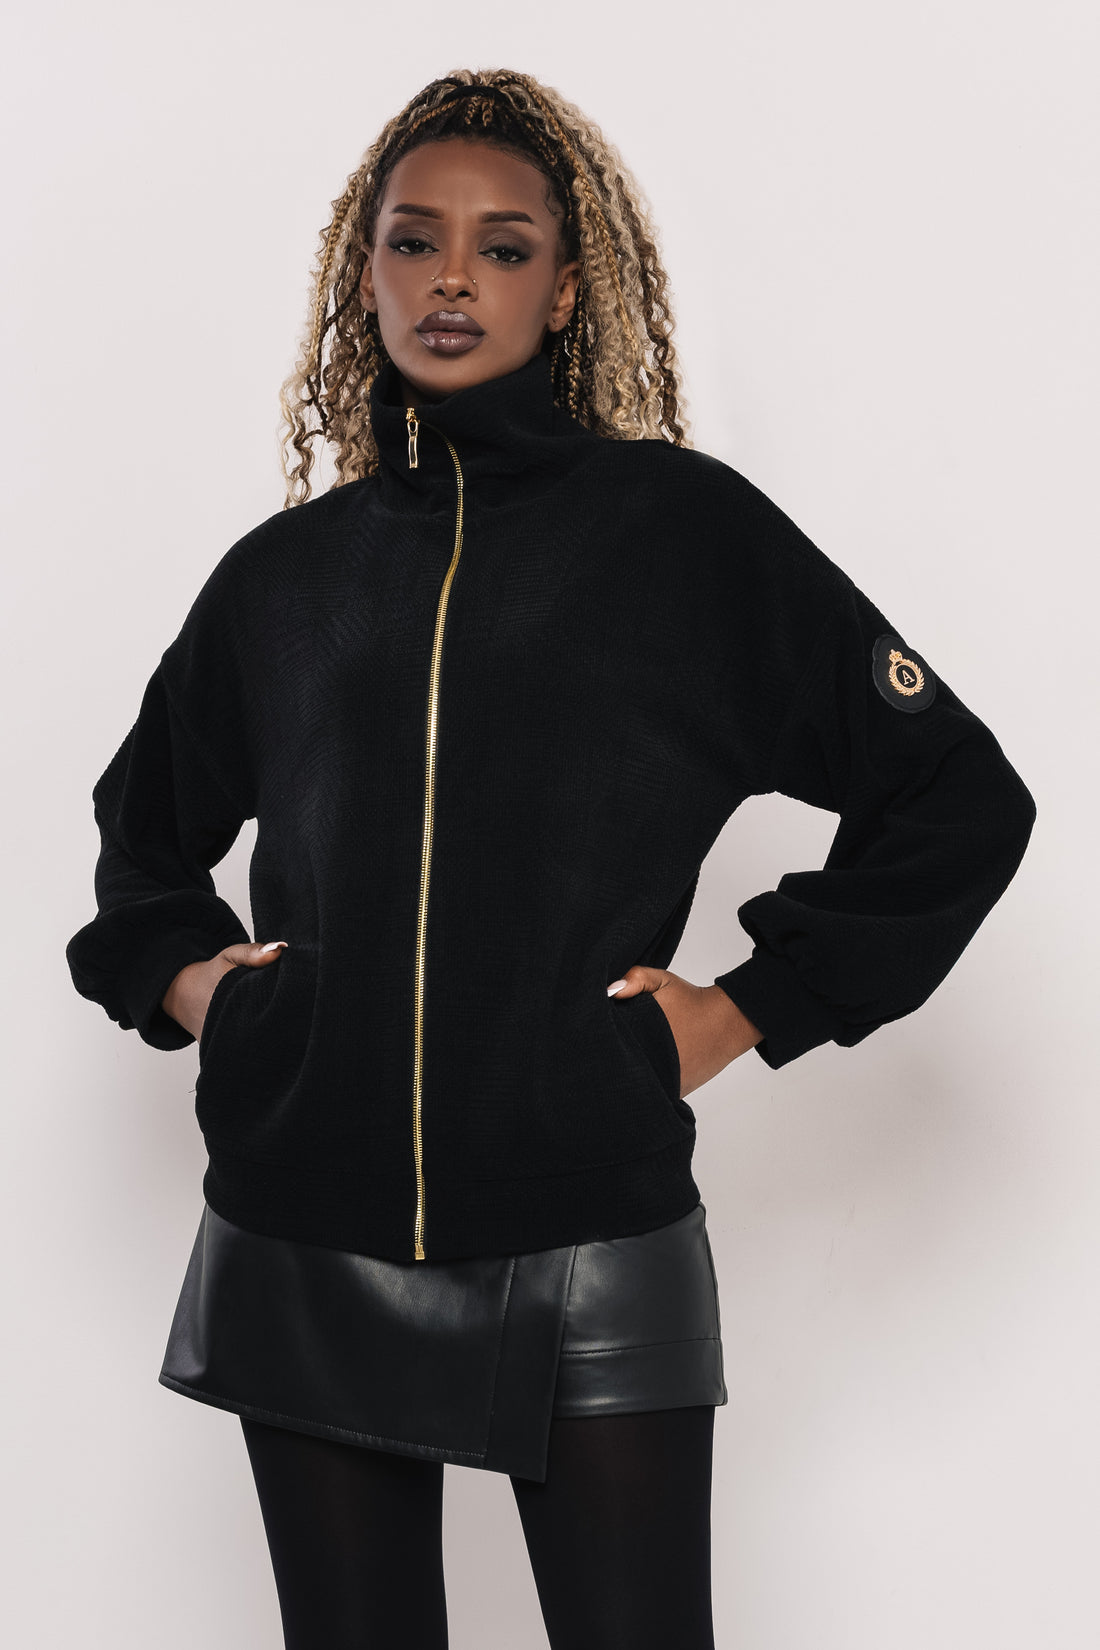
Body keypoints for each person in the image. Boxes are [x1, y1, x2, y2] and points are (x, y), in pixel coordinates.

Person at [65, 67, 1036, 1650]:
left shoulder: (686, 538)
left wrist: (743, 1008)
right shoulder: (285, 579)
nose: (453, 277)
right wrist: (203, 991)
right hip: (302, 1226)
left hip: (592, 1224)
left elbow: (960, 795)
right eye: (415, 240)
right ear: (364, 272)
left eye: (503, 247)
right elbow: (140, 835)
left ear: (567, 287)